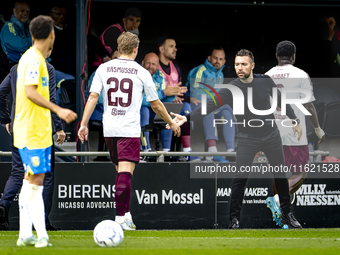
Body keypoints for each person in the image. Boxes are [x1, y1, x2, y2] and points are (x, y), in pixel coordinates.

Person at [170, 49, 303, 229]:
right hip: (247, 138)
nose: (240, 68)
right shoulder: (231, 88)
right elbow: (210, 106)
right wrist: (186, 117)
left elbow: (281, 100)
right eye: (237, 64)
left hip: (271, 136)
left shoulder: (265, 81)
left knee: (280, 175)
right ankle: (234, 220)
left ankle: (287, 215)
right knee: (240, 179)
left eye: (244, 64)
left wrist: (294, 120)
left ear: (252, 66)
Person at [78, 32, 180, 230]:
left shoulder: (104, 68)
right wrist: (172, 122)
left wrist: (83, 124)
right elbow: (156, 104)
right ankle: (120, 218)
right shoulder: (141, 72)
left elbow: (92, 97)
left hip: (109, 128)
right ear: (136, 49)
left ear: (119, 46)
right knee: (125, 173)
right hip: (128, 129)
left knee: (121, 171)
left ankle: (126, 214)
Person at [13, 15, 77, 247]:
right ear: (51, 34)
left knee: (29, 181)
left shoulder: (31, 58)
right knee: (37, 182)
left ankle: (24, 234)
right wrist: (58, 109)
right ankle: (41, 236)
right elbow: (31, 92)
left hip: (31, 130)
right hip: (33, 131)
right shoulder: (34, 60)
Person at [0, 51, 66, 231]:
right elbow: (51, 98)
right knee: (47, 176)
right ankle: (42, 222)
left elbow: (1, 92)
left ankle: (3, 205)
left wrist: (7, 119)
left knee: (17, 172)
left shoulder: (16, 68)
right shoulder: (47, 68)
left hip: (19, 128)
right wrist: (58, 127)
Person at [264, 40, 326, 227]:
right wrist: (317, 128)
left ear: (276, 56)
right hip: (293, 134)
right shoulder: (301, 75)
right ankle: (276, 201)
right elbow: (308, 104)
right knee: (301, 174)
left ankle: (284, 218)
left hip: (270, 133)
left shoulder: (265, 76)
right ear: (293, 57)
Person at [187, 47, 235, 163]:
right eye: (215, 58)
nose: (217, 61)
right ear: (209, 58)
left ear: (224, 62)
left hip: (211, 105)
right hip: (195, 105)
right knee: (209, 108)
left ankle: (230, 151)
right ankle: (212, 151)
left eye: (220, 59)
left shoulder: (220, 75)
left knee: (227, 111)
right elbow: (196, 93)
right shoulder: (200, 70)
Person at [157, 36, 199, 161]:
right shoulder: (155, 66)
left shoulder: (175, 67)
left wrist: (183, 96)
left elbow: (179, 90)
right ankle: (166, 152)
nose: (175, 49)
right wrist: (169, 94)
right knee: (173, 109)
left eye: (175, 46)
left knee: (186, 107)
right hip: (158, 107)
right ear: (161, 49)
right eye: (171, 46)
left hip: (174, 105)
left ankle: (186, 151)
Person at [140, 52, 186, 157]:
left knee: (169, 110)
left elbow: (163, 99)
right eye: (148, 63)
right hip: (141, 111)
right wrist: (164, 93)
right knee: (144, 110)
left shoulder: (160, 75)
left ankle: (167, 151)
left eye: (153, 64)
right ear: (142, 62)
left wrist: (172, 95)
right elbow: (141, 101)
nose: (150, 66)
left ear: (157, 66)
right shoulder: (138, 73)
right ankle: (145, 149)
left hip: (154, 110)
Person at [48, 2, 76, 78]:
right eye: (59, 14)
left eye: (64, 14)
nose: (62, 17)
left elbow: (92, 40)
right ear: (51, 15)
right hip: (58, 69)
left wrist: (105, 56)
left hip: (77, 67)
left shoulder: (72, 29)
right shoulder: (46, 31)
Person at [0, 1, 31, 65]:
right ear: (14, 11)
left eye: (27, 11)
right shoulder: (9, 26)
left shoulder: (26, 27)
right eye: (22, 11)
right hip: (17, 65)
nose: (25, 13)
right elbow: (19, 44)